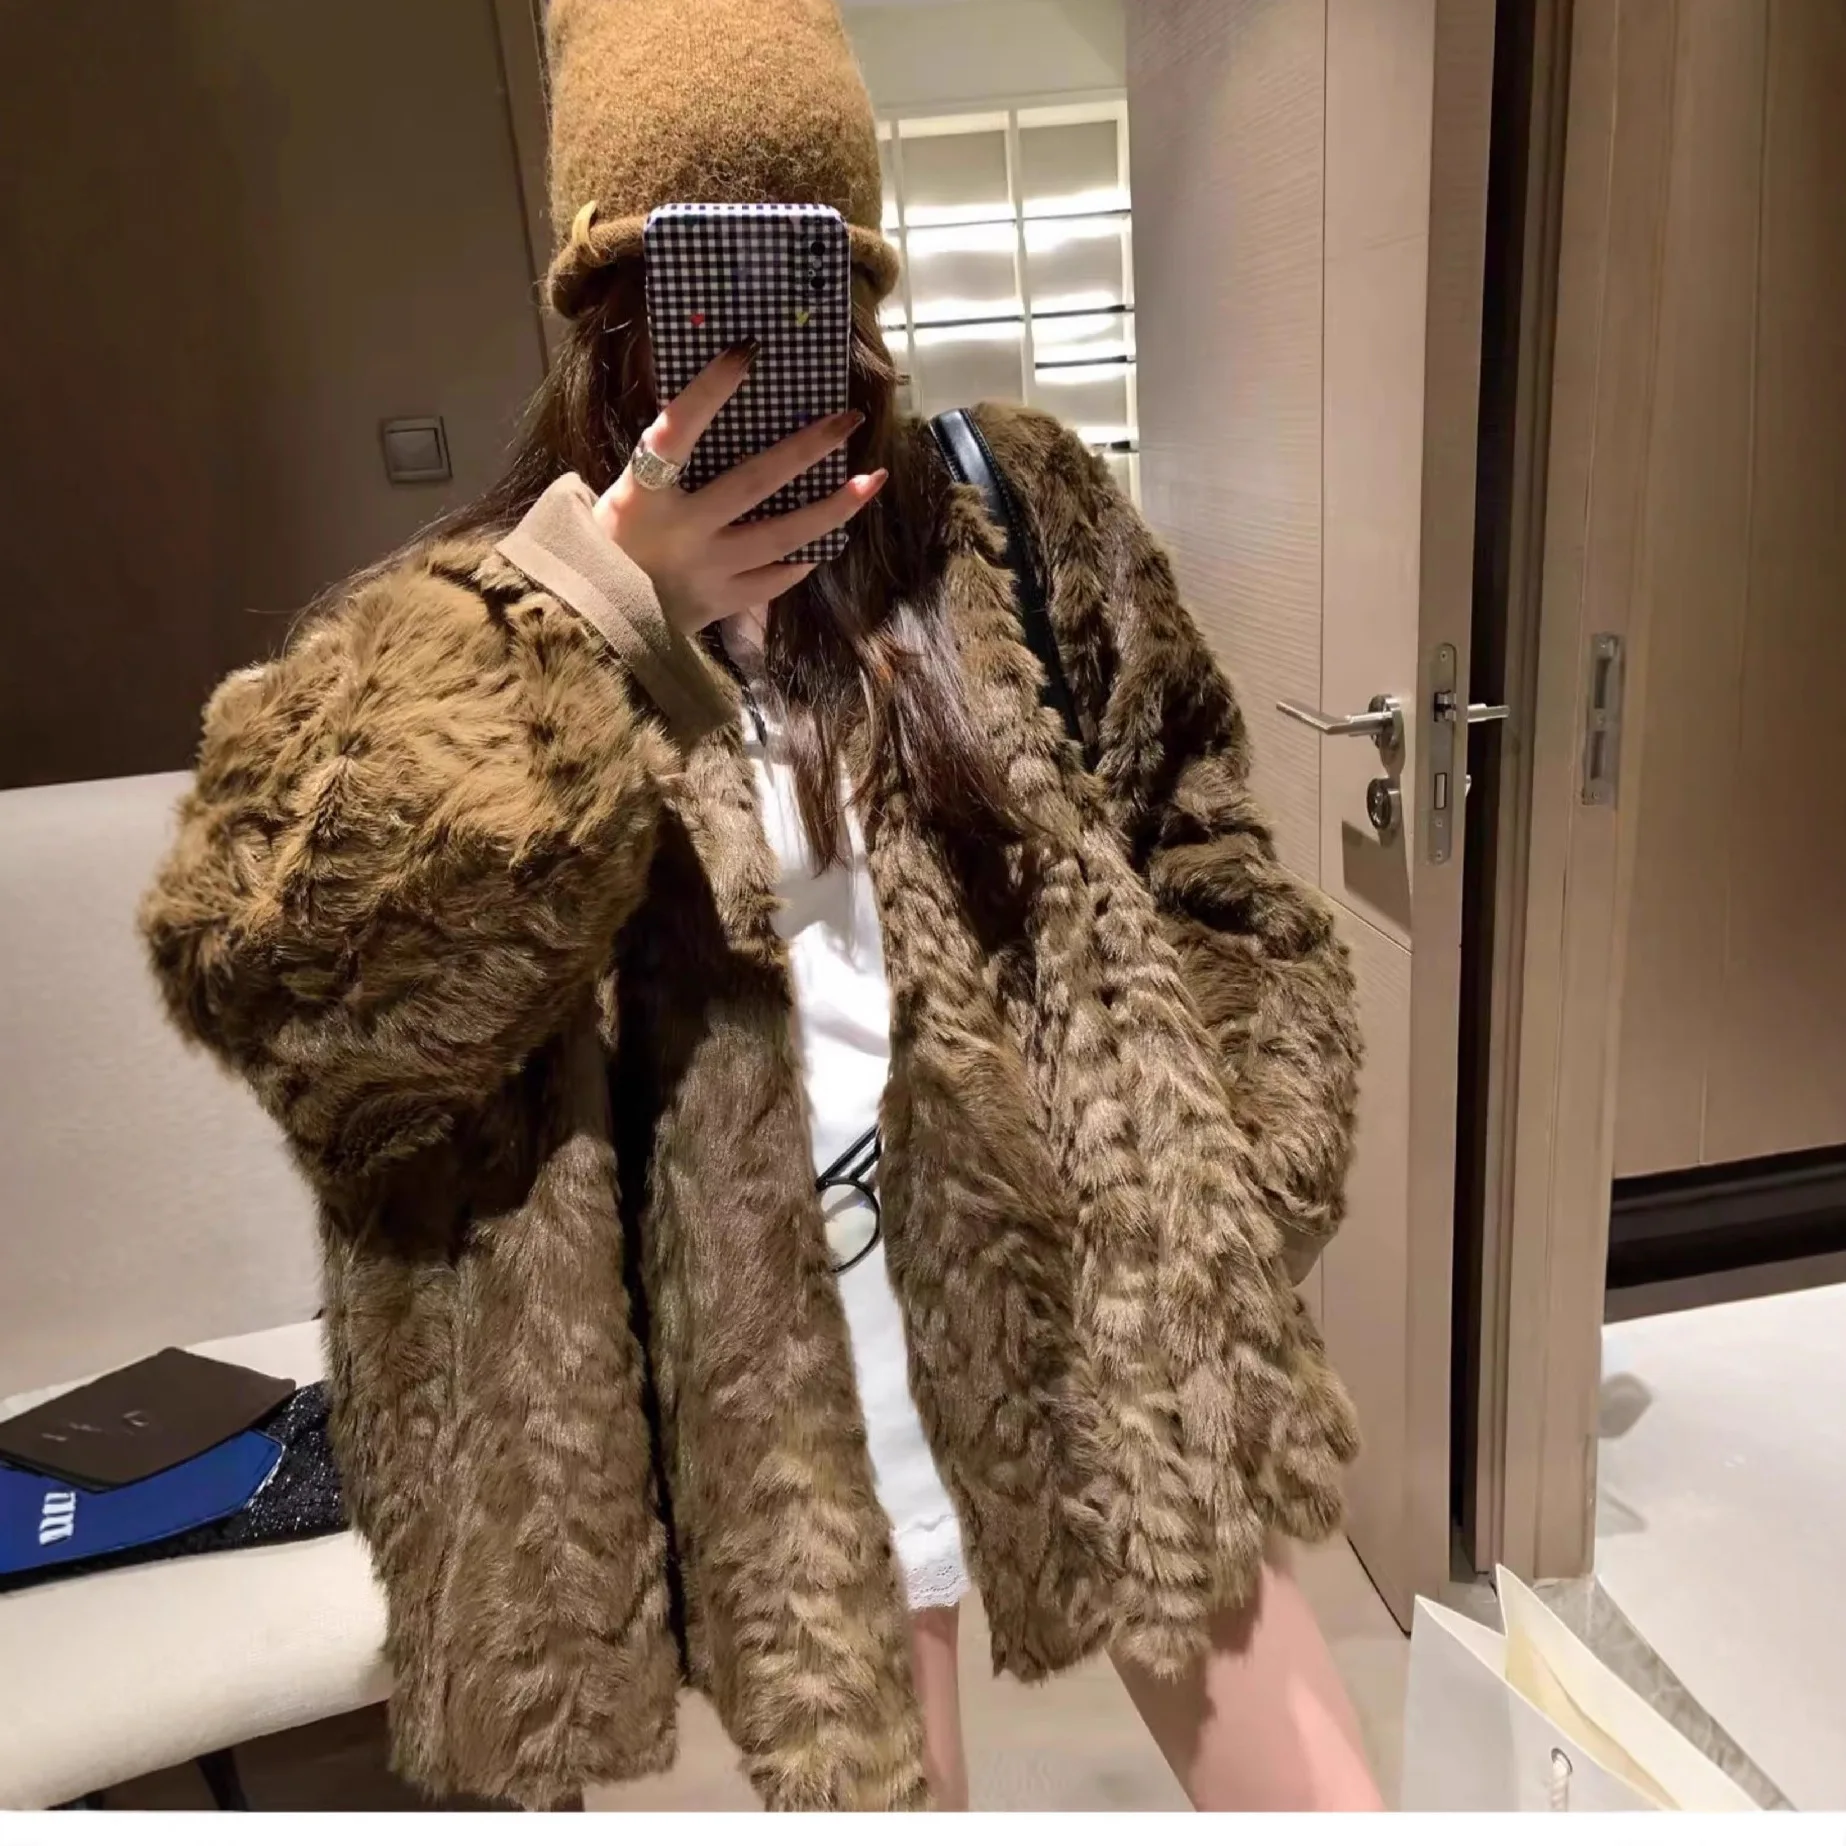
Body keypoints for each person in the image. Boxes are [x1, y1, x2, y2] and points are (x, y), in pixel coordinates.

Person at [141, 0, 1380, 1814]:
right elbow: (303, 997)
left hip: (1096, 1319)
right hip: (773, 1408)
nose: (743, 358)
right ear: (597, 313)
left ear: (857, 287)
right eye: (680, 297)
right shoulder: (464, 624)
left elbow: (1208, 863)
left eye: (804, 285)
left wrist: (1230, 1191)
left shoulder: (1008, 519)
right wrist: (588, 616)